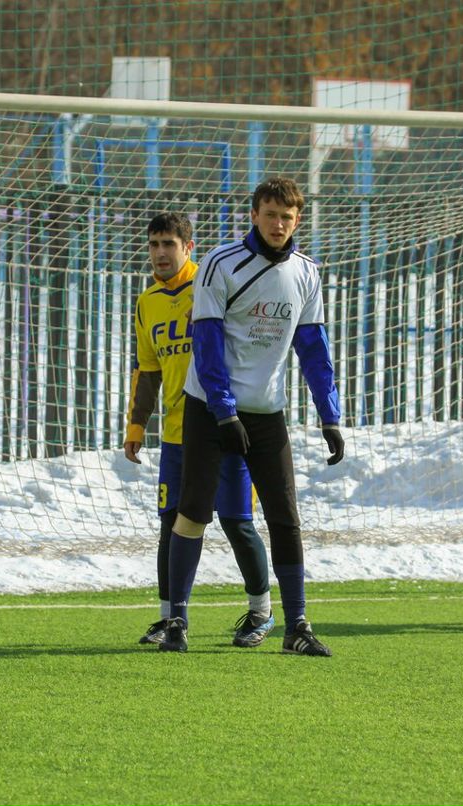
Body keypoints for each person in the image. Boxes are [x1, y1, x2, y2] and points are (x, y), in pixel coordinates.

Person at [156, 176, 345, 656]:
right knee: (193, 513)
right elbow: (207, 343)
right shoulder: (220, 264)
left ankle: (296, 626)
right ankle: (176, 620)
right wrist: (223, 411)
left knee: (285, 517)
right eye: (270, 214)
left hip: (265, 413)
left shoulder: (306, 272)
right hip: (208, 408)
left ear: (297, 220)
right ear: (254, 215)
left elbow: (313, 348)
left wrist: (329, 415)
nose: (278, 223)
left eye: (287, 216)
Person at [124, 212, 275, 649]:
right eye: (153, 245)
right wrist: (137, 424)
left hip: (227, 428)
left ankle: (261, 611)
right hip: (176, 435)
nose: (160, 253)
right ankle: (171, 618)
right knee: (171, 524)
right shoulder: (147, 301)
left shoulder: (211, 287)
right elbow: (148, 369)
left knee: (236, 520)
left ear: (189, 247)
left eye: (169, 244)